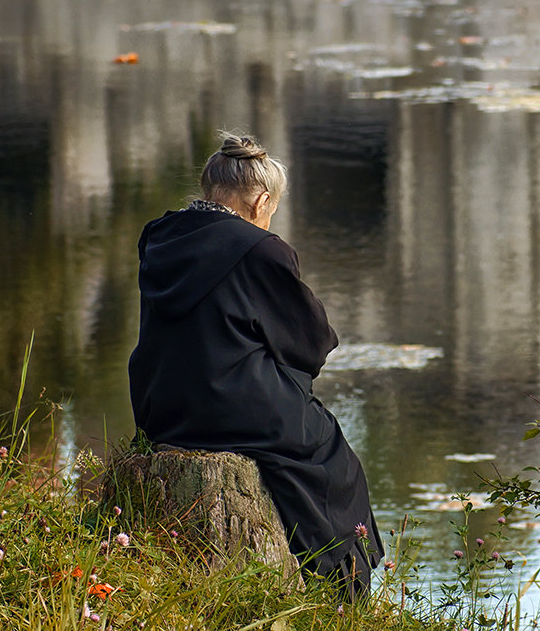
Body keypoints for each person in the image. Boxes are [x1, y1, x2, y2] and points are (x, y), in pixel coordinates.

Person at [127, 131, 382, 597]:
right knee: (328, 451)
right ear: (261, 200)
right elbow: (310, 342)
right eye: (272, 210)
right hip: (232, 408)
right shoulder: (259, 249)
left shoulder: (158, 237)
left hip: (159, 406)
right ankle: (339, 588)